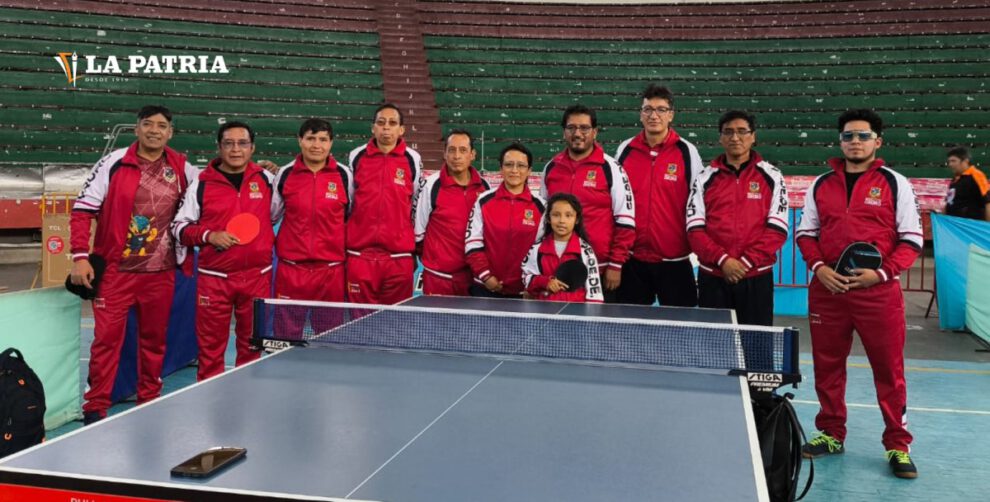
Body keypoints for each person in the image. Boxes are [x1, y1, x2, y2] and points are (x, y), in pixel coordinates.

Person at [796, 109, 922, 478]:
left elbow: (911, 239)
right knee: (827, 366)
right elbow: (807, 234)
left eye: (863, 136)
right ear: (840, 141)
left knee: (888, 370)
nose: (855, 142)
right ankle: (831, 433)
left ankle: (898, 444)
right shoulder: (821, 184)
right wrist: (820, 269)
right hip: (828, 291)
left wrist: (880, 274)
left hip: (878, 294)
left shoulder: (895, 183)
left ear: (877, 141)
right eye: (849, 136)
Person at [70, 105, 197, 424]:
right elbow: (82, 210)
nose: (155, 130)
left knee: (154, 341)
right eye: (148, 124)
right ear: (137, 129)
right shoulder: (112, 163)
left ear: (171, 132)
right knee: (105, 342)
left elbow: (215, 183)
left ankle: (149, 399)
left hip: (161, 273)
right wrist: (79, 257)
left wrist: (262, 170)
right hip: (115, 272)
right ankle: (95, 406)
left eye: (162, 125)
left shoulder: (182, 168)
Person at [172, 121, 275, 381]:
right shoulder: (201, 184)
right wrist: (209, 235)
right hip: (214, 280)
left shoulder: (266, 179)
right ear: (219, 147)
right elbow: (179, 228)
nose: (236, 149)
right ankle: (210, 408)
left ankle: (249, 403)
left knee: (252, 348)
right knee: (210, 352)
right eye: (228, 143)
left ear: (252, 148)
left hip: (256, 278)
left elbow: (274, 215)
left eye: (242, 143)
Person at [687, 111, 788, 325]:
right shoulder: (704, 178)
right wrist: (724, 261)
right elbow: (694, 230)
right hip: (713, 277)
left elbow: (777, 230)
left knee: (757, 348)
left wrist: (744, 263)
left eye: (742, 131)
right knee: (715, 349)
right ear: (720, 137)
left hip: (756, 277)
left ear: (753, 136)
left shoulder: (773, 176)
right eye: (728, 132)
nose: (735, 137)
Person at [615, 84, 703, 307]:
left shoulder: (687, 151)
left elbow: (698, 202)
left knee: (681, 331)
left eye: (661, 110)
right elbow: (615, 202)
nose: (654, 115)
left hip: (674, 260)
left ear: (671, 115)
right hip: (633, 260)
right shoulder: (625, 149)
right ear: (641, 114)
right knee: (628, 331)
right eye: (648, 109)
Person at [541, 105, 634, 302]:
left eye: (584, 128)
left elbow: (626, 222)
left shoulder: (611, 168)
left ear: (595, 131)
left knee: (599, 331)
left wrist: (615, 265)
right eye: (571, 128)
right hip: (557, 273)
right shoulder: (551, 167)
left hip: (600, 272)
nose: (577, 133)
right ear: (564, 132)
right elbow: (544, 221)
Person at [270, 119, 353, 336]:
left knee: (329, 336)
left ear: (331, 143)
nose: (317, 145)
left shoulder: (344, 175)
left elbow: (350, 215)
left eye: (323, 139)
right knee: (286, 336)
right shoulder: (285, 174)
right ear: (300, 141)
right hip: (291, 270)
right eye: (310, 138)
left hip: (331, 271)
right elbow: (271, 215)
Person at [346, 103, 423, 304]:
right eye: (381, 123)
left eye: (392, 123)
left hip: (398, 256)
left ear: (401, 129)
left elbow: (413, 202)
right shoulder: (357, 156)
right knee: (358, 323)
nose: (386, 127)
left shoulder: (412, 159)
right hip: (360, 254)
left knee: (394, 325)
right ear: (373, 128)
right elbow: (350, 201)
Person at [465, 143, 547, 298]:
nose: (515, 170)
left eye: (521, 165)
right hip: (485, 288)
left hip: (524, 292)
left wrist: (532, 284)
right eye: (509, 165)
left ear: (529, 171)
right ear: (501, 169)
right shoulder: (484, 200)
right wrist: (486, 276)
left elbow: (541, 250)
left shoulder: (541, 206)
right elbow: (472, 243)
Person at [414, 129, 489, 296]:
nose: (456, 156)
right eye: (452, 150)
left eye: (463, 150)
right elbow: (418, 233)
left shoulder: (485, 188)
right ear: (445, 154)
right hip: (438, 279)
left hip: (473, 279)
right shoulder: (430, 186)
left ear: (473, 154)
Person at [522, 193, 603, 303]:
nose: (562, 221)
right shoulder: (537, 248)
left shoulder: (585, 251)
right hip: (544, 311)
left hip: (575, 313)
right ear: (548, 218)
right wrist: (545, 282)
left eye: (568, 215)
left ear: (577, 219)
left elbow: (594, 292)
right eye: (556, 215)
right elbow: (526, 277)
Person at [944, 146, 989, 221]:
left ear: (965, 161)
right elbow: (949, 202)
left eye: (953, 161)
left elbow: (988, 203)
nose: (950, 164)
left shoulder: (977, 176)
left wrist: (987, 229)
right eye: (949, 161)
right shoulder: (955, 180)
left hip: (971, 227)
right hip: (955, 225)